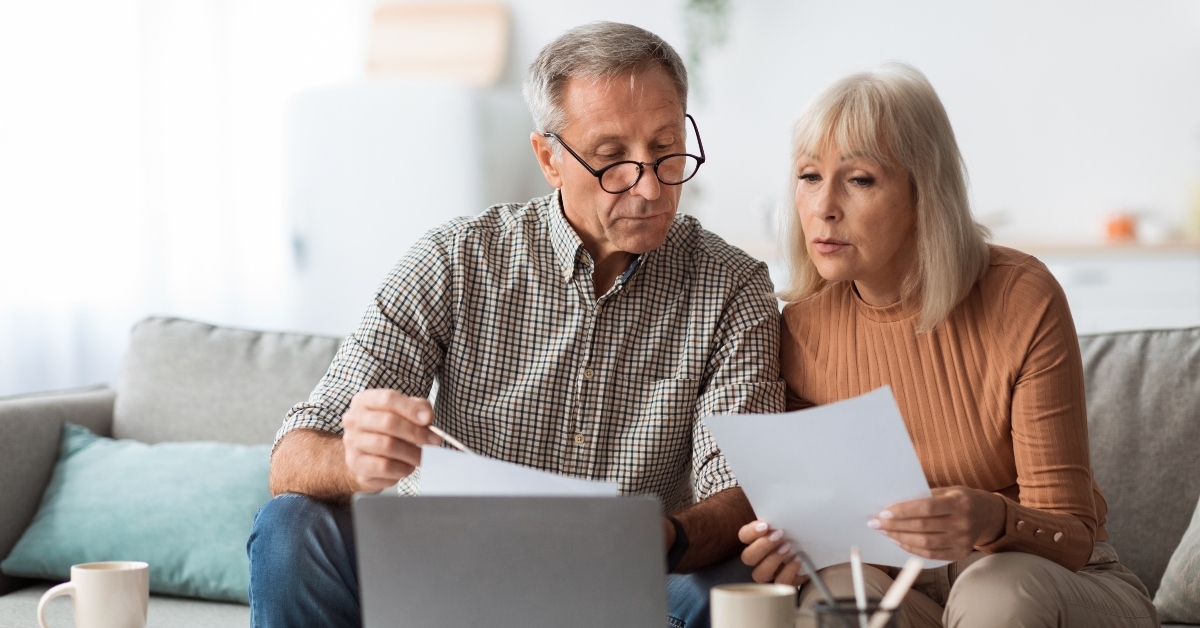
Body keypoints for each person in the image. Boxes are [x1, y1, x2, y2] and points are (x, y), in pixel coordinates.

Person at [246, 22, 783, 628]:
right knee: (291, 525)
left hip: (628, 579)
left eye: (666, 149)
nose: (651, 186)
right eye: (612, 160)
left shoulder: (733, 286)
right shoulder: (455, 259)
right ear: (549, 158)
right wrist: (357, 462)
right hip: (447, 571)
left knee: (741, 580)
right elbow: (292, 457)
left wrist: (654, 536)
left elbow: (741, 489)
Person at [738, 63, 1159, 627]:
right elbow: (836, 528)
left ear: (923, 191)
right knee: (839, 591)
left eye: (859, 179)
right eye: (809, 176)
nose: (823, 206)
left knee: (994, 589)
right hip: (905, 588)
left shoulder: (1018, 296)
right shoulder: (801, 327)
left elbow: (1073, 536)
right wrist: (793, 551)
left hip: (1057, 581)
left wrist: (993, 519)